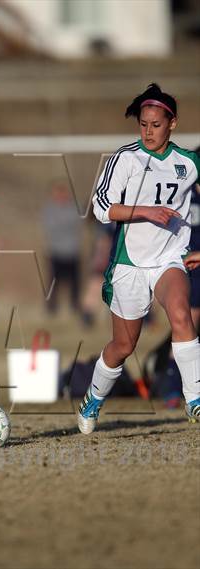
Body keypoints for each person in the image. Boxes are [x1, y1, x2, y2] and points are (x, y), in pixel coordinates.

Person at [77, 84, 200, 433]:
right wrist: (145, 211)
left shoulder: (189, 163)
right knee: (123, 346)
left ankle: (195, 398)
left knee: (180, 312)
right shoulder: (125, 159)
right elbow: (100, 208)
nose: (148, 131)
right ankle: (93, 399)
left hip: (169, 258)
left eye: (155, 125)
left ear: (172, 124)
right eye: (143, 124)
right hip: (130, 264)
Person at [41, 181, 82, 315]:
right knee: (53, 283)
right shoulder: (49, 209)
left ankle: (75, 307)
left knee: (75, 283)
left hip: (72, 252)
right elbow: (50, 227)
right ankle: (51, 309)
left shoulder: (73, 208)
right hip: (55, 252)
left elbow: (77, 224)